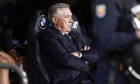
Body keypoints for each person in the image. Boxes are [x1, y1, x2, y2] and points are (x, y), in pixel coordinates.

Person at [39, 3, 99, 84]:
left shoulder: (75, 35)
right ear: (54, 20)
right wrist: (86, 63)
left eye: (71, 17)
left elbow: (95, 55)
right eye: (67, 17)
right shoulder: (48, 36)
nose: (71, 20)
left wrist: (78, 54)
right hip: (68, 80)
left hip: (85, 78)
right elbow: (66, 59)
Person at [91, 0, 140, 84]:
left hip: (133, 72)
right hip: (114, 74)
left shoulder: (131, 2)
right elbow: (108, 41)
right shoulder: (104, 2)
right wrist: (136, 35)